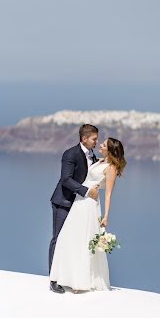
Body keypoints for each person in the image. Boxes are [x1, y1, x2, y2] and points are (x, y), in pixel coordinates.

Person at [50, 137, 126, 293]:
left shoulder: (111, 168)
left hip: (90, 204)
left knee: (84, 239)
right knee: (69, 236)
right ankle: (66, 276)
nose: (100, 145)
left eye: (104, 144)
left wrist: (106, 216)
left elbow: (109, 194)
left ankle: (80, 282)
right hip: (80, 201)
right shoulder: (99, 162)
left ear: (110, 150)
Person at [49, 124, 100, 293]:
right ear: (84, 138)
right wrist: (86, 192)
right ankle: (54, 279)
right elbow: (66, 179)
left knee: (73, 240)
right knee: (58, 238)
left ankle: (69, 276)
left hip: (80, 205)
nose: (96, 141)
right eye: (94, 139)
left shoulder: (93, 155)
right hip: (64, 201)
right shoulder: (70, 154)